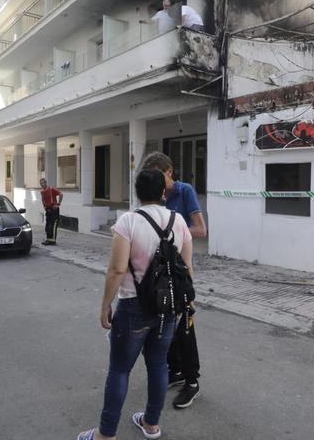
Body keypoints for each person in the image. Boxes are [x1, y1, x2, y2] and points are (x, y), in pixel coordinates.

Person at [78, 169, 193, 440]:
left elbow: (117, 270)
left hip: (132, 307)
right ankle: (151, 424)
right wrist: (189, 303)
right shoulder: (179, 222)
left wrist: (105, 305)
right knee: (158, 365)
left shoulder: (128, 221)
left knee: (120, 369)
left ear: (136, 192)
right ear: (163, 193)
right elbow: (186, 269)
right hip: (168, 308)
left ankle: (105, 434)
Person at [140, 152, 206, 409]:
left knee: (185, 328)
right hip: (157, 273)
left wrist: (171, 231)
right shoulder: (155, 195)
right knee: (163, 325)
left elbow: (200, 229)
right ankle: (175, 371)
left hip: (180, 271)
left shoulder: (184, 191)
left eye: (160, 176)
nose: (157, 181)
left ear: (170, 172)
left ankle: (192, 382)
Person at [40, 177, 63, 246]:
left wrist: (58, 204)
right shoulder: (42, 192)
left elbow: (61, 194)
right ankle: (48, 239)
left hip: (54, 210)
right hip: (48, 210)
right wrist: (44, 206)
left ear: (46, 183)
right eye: (41, 184)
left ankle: (52, 241)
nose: (42, 185)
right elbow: (42, 199)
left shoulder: (51, 189)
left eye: (43, 183)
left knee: (53, 225)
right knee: (48, 226)